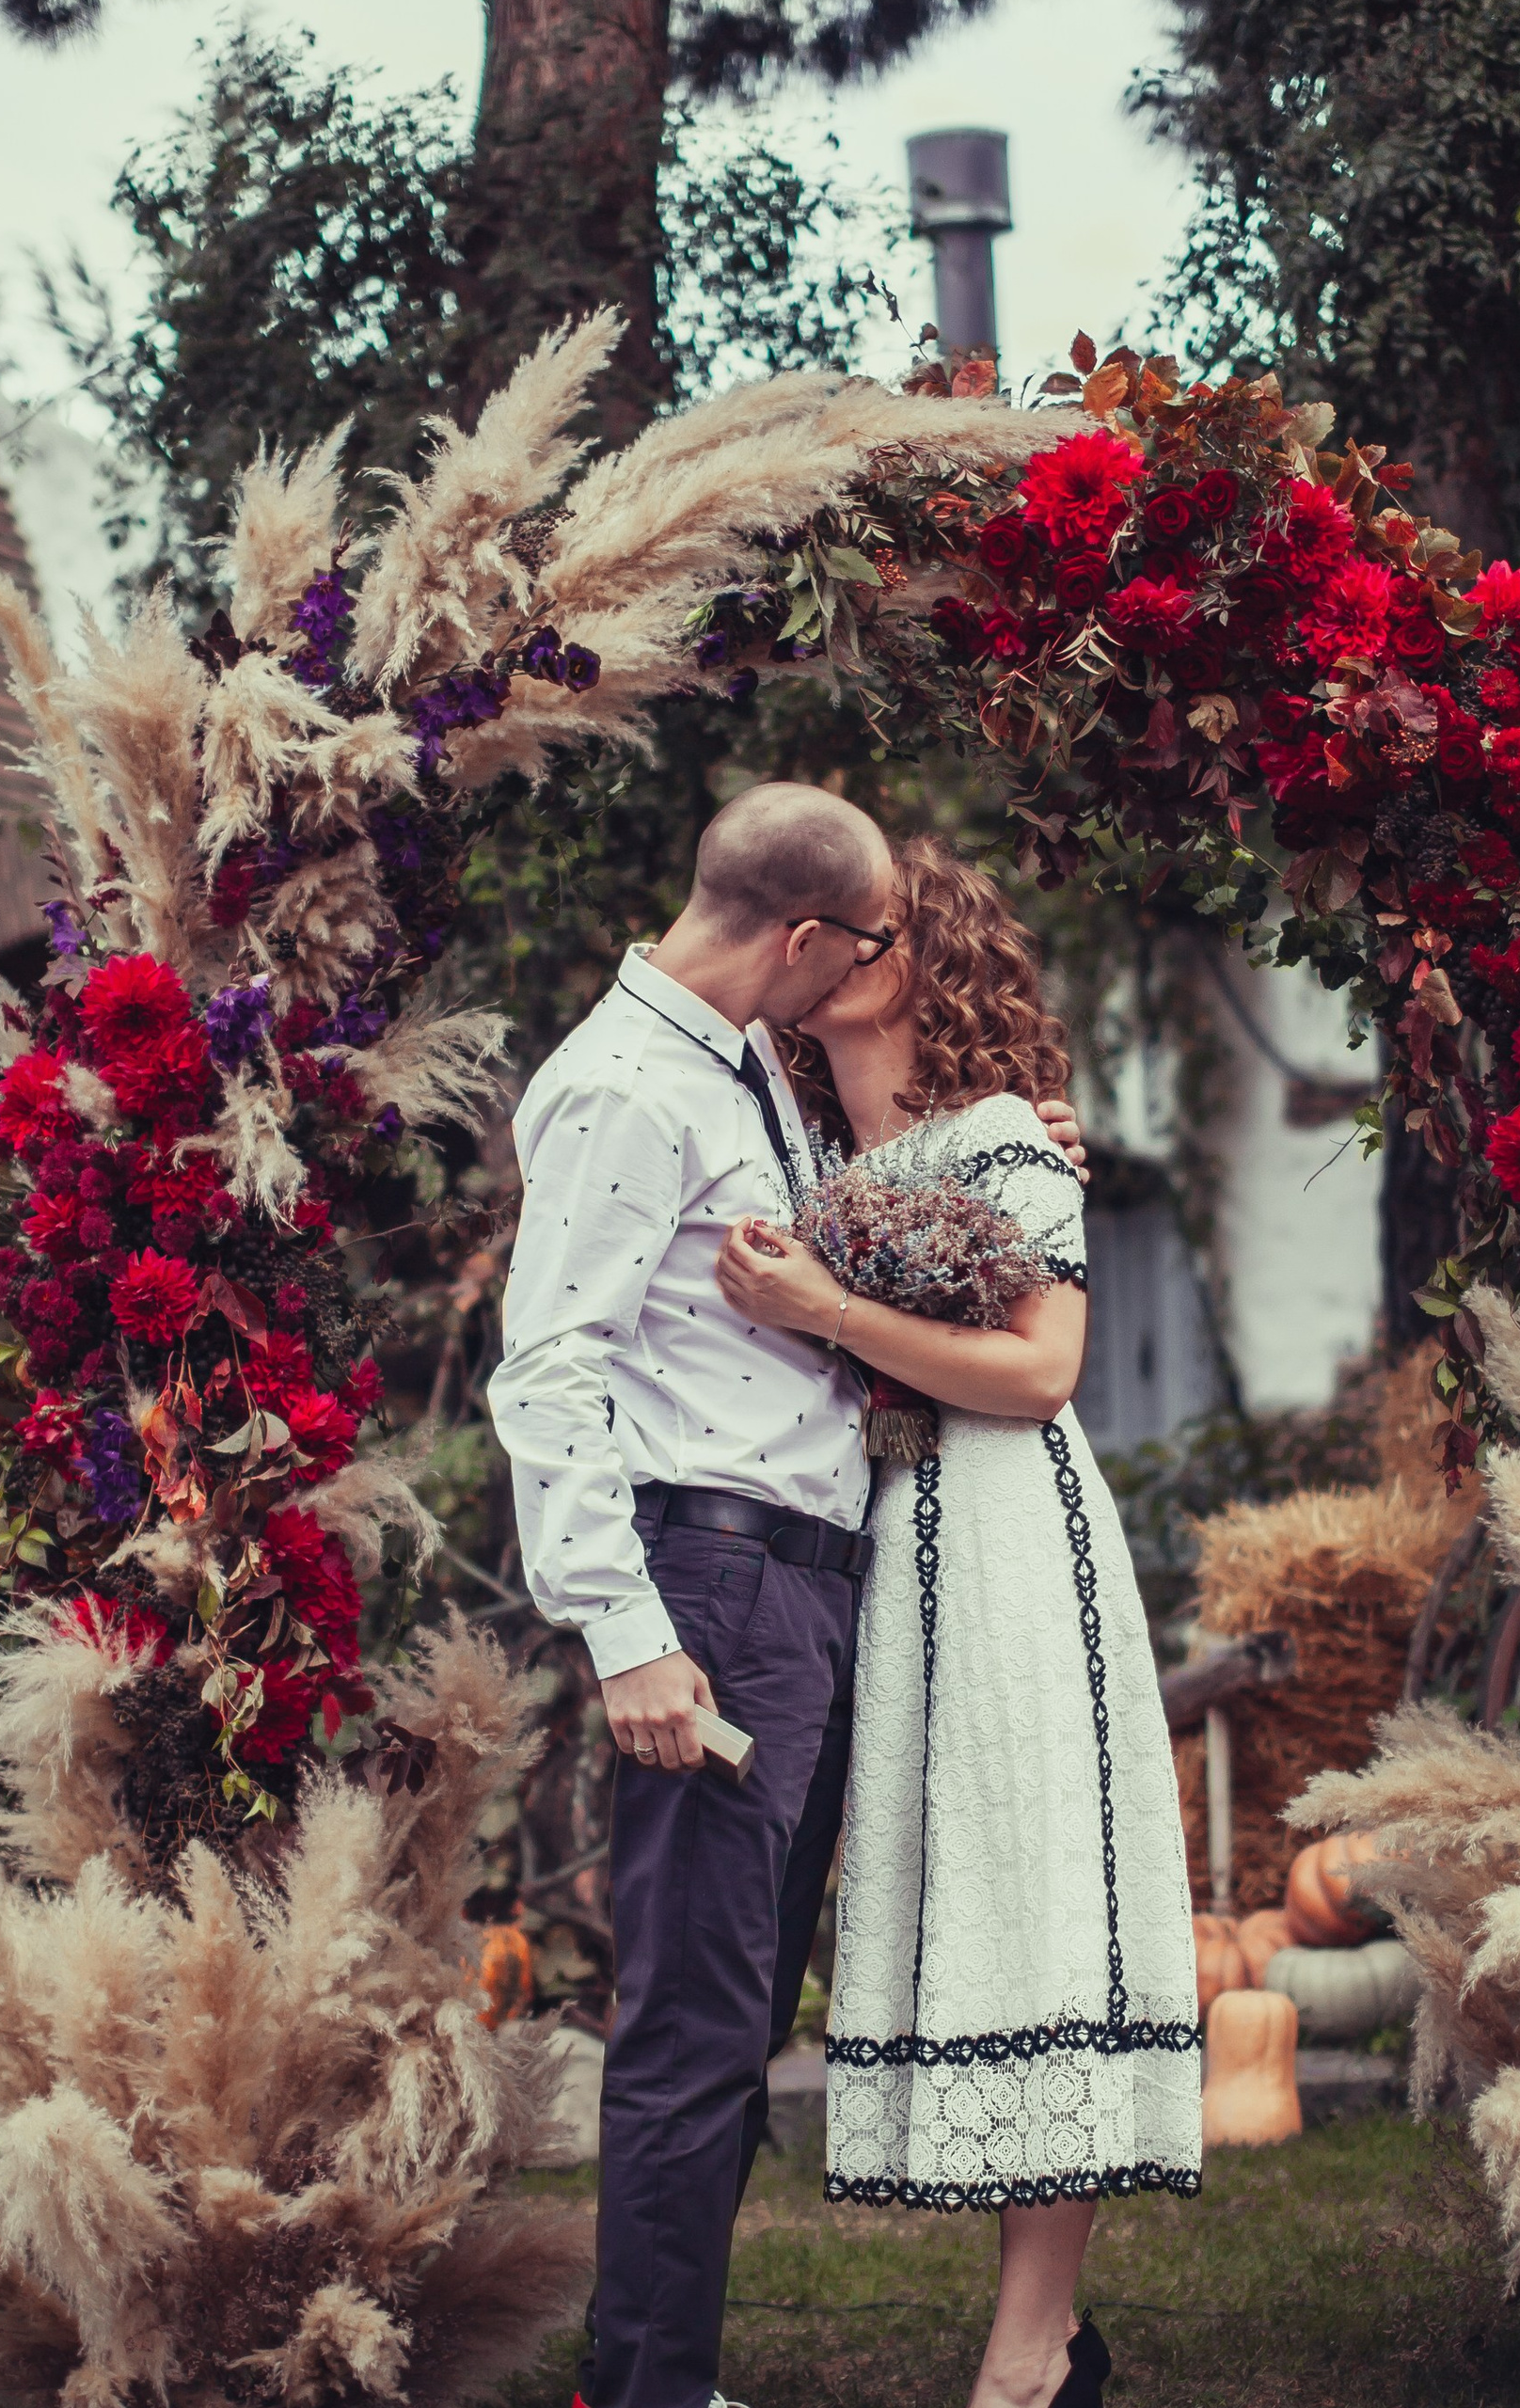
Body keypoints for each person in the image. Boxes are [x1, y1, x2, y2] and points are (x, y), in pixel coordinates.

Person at [489, 784, 1084, 2408]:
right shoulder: (623, 1087)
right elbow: (548, 1376)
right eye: (875, 945)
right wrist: (632, 1640)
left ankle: (658, 2374)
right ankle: (653, 2391)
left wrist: (1019, 1166)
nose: (882, 972)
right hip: (718, 1580)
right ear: (810, 940)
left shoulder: (741, 1064)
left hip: (801, 1589)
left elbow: (865, 1207)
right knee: (692, 2021)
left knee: (735, 2015)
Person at [714, 836, 1200, 2408]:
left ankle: (1033, 2346)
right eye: (843, 929)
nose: (859, 946)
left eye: (893, 927)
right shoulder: (795, 1162)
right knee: (945, 1899)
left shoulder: (1004, 1140)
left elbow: (1043, 1375)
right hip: (867, 1553)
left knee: (1029, 1886)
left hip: (1002, 1540)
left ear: (939, 961)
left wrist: (834, 1313)